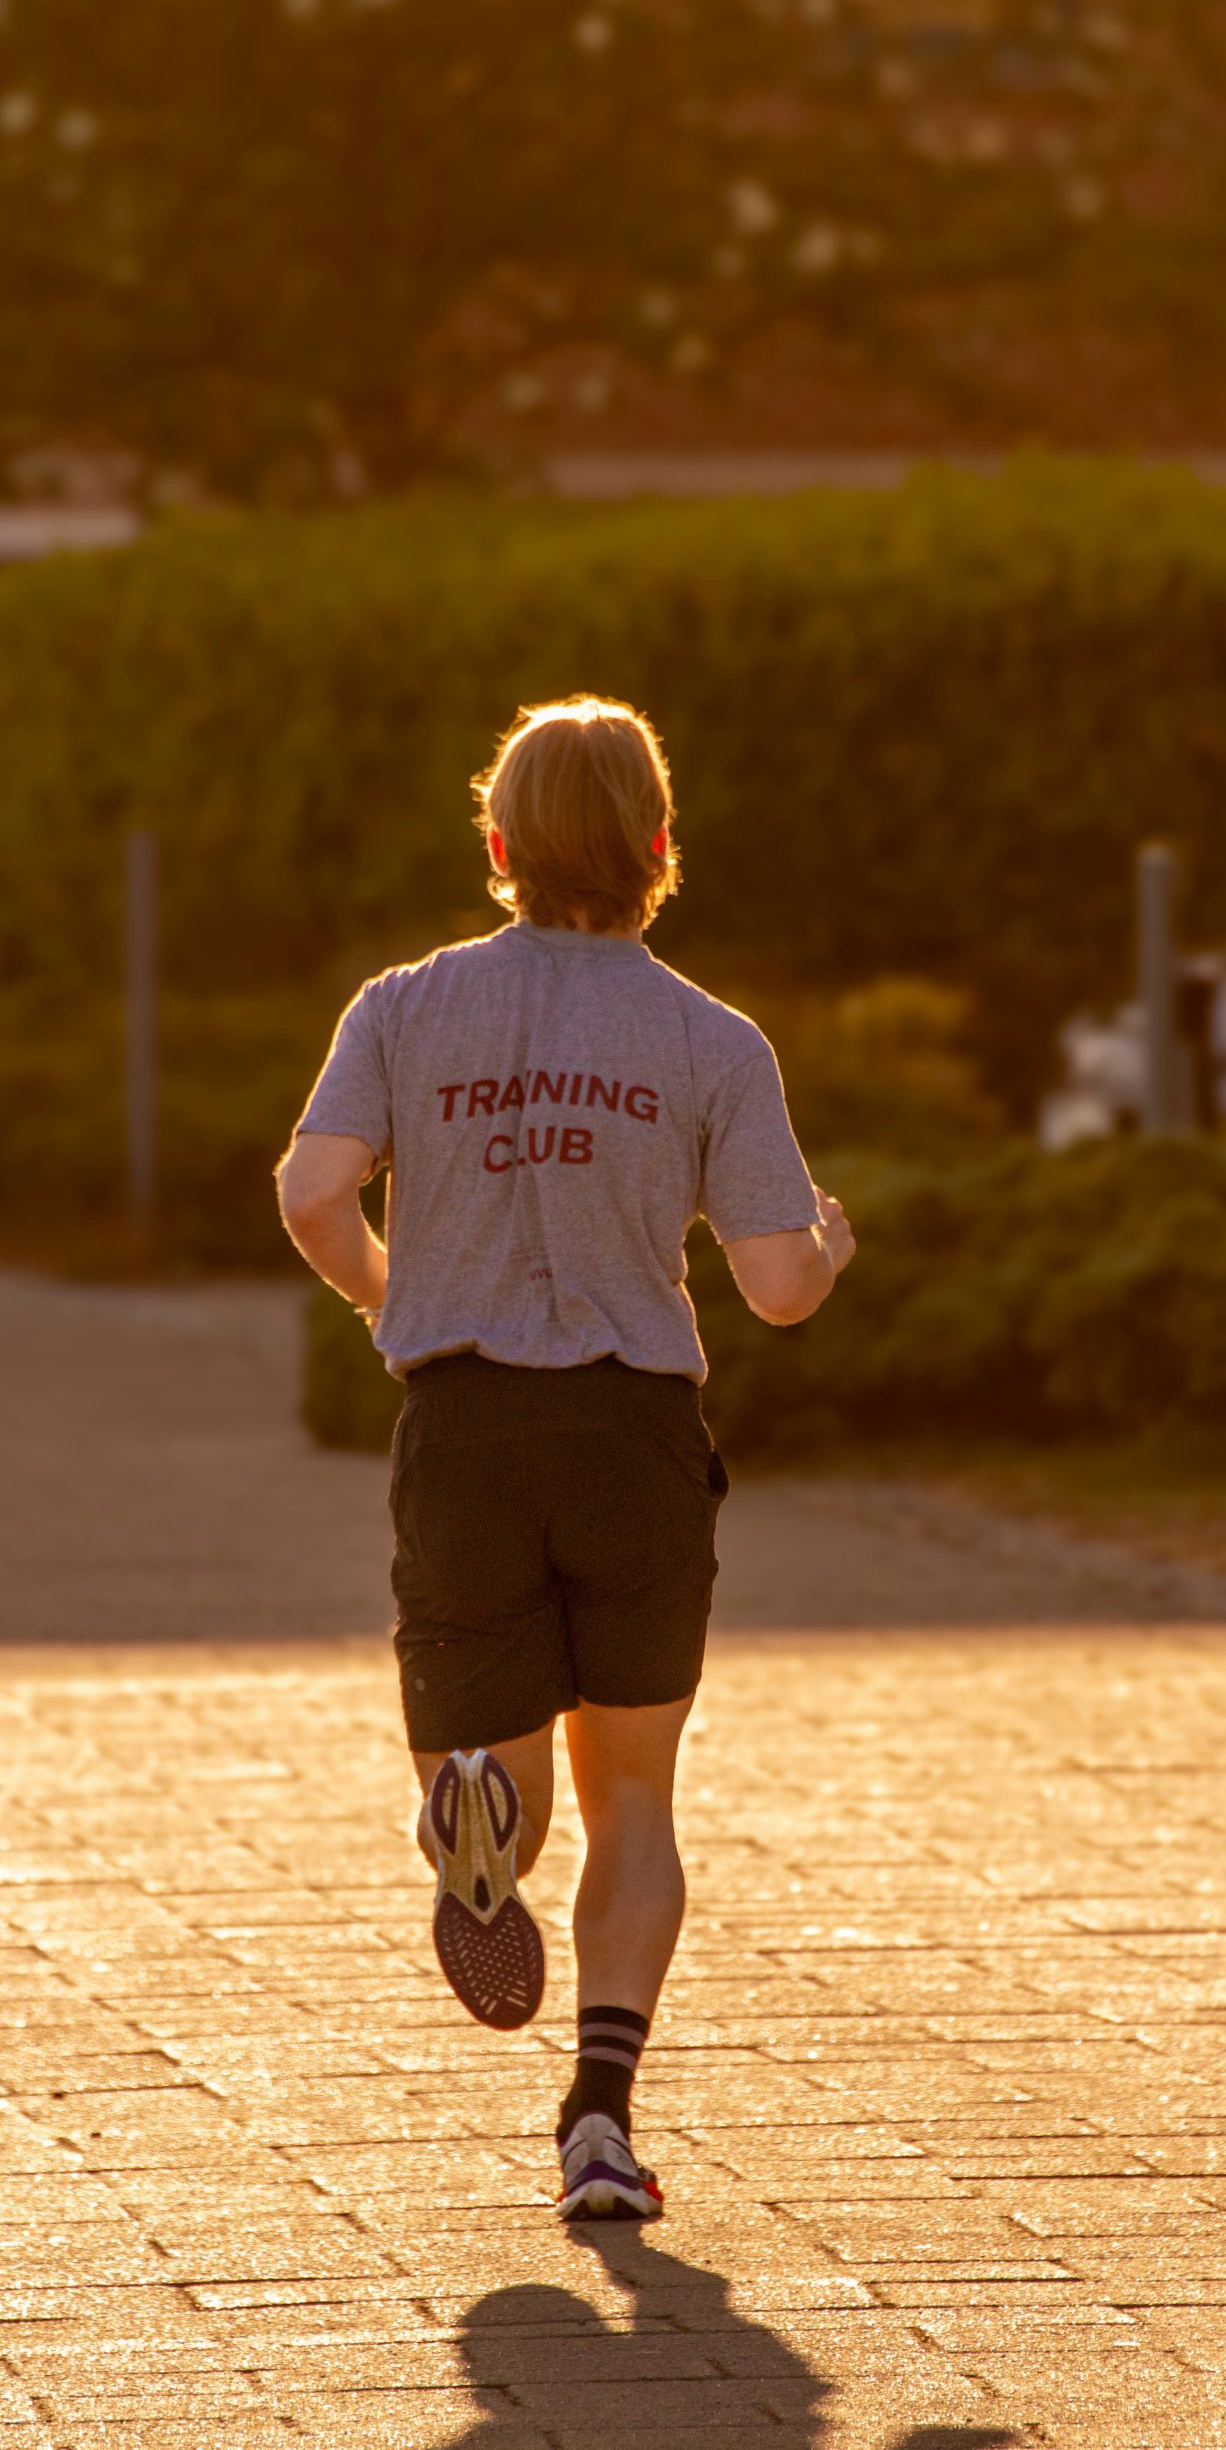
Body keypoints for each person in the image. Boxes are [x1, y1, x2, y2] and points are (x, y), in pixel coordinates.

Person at [276, 694, 855, 2222]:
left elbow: (312, 1191)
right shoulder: (708, 1037)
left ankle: (475, 1807)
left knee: (506, 1773)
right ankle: (599, 2118)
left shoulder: (403, 1007)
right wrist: (833, 1245)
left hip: (464, 1423)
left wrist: (393, 1294)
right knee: (637, 1797)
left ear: (498, 841)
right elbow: (779, 1287)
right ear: (660, 844)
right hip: (631, 1429)